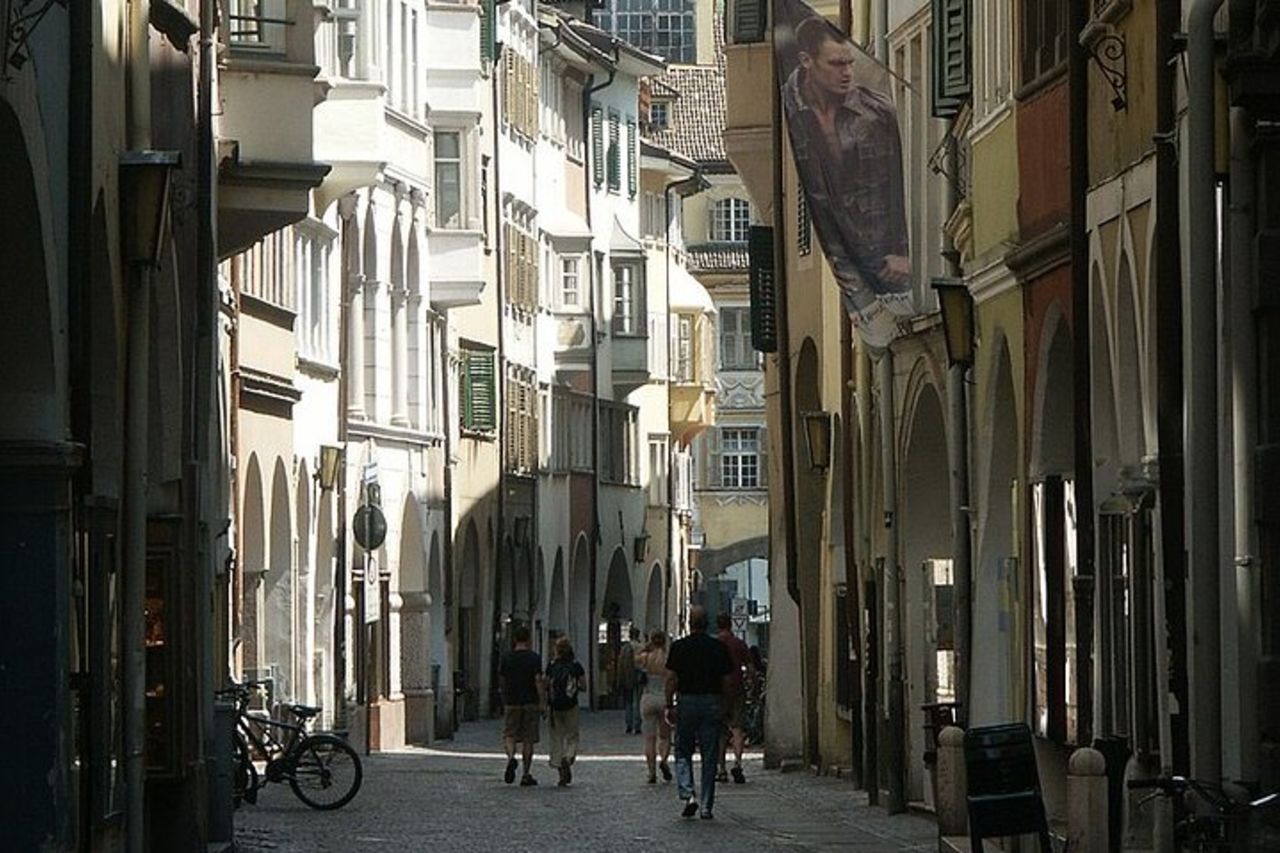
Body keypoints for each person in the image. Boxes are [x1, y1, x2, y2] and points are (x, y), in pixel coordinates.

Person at [780, 14, 911, 334]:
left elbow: (903, 184)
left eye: (850, 62)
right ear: (806, 61)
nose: (847, 72)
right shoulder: (788, 107)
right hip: (845, 266)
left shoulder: (877, 113)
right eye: (837, 64)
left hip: (891, 266)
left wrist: (905, 252)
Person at [664, 606, 733, 819]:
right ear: (707, 623)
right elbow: (727, 680)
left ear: (689, 623)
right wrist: (726, 705)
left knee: (682, 751)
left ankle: (688, 794)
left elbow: (671, 678)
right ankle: (706, 806)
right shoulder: (718, 647)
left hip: (687, 702)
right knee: (710, 755)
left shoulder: (679, 647)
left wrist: (669, 704)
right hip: (712, 702)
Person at [498, 624, 544, 786]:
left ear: (514, 639)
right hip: (530, 701)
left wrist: (503, 697)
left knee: (509, 734)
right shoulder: (534, 658)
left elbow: (502, 680)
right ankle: (526, 774)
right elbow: (538, 680)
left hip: (512, 700)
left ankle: (511, 757)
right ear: (528, 639)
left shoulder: (507, 658)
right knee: (528, 739)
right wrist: (542, 701)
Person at [714, 612, 755, 784]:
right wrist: (750, 683)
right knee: (738, 729)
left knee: (721, 732)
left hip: (718, 691)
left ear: (717, 625)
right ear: (730, 624)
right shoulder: (739, 644)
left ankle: (721, 769)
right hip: (737, 689)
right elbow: (750, 667)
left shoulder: (714, 645)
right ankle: (738, 763)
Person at [545, 635, 586, 786]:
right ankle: (568, 758)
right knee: (572, 736)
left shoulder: (551, 665)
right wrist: (574, 688)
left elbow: (546, 685)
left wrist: (545, 703)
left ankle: (559, 768)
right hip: (571, 705)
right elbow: (584, 686)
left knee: (557, 737)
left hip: (555, 706)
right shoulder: (575, 666)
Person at [636, 629, 673, 784]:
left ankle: (651, 772)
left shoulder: (646, 657)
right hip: (664, 697)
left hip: (648, 697)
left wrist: (646, 647)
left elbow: (635, 659)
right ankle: (663, 759)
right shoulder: (668, 658)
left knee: (649, 739)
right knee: (665, 736)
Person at [618, 626, 640, 733]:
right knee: (638, 701)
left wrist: (620, 679)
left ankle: (629, 724)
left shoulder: (625, 648)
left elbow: (620, 665)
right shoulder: (641, 647)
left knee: (628, 702)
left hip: (627, 677)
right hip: (639, 677)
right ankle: (637, 725)